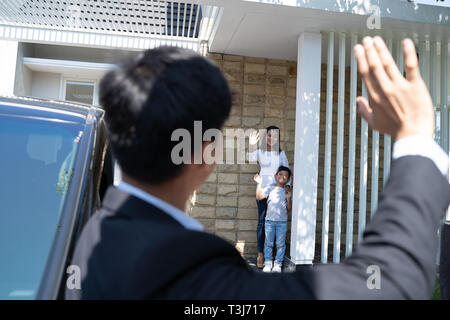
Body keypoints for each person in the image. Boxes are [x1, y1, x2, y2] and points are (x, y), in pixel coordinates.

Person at [66, 37, 450, 300]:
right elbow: (386, 285)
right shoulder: (190, 272)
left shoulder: (93, 236)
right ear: (204, 154)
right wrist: (414, 137)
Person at [247, 127, 291, 269]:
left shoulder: (281, 154)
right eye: (269, 135)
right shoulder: (260, 153)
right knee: (262, 223)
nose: (271, 138)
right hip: (262, 191)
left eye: (275, 136)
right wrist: (252, 144)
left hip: (277, 194)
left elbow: (287, 172)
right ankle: (261, 254)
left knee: (276, 224)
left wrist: (287, 189)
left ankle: (273, 259)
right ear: (266, 137)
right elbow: (250, 158)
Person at [254, 166, 292, 273]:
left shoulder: (286, 192)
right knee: (269, 243)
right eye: (280, 174)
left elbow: (289, 209)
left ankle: (278, 264)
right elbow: (259, 197)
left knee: (280, 244)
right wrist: (259, 183)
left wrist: (288, 199)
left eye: (285, 176)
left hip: (282, 222)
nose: (282, 177)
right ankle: (268, 263)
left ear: (288, 179)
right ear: (275, 176)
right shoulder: (270, 188)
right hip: (269, 222)